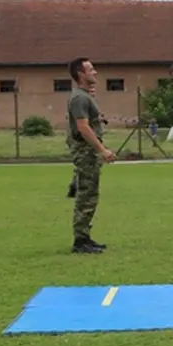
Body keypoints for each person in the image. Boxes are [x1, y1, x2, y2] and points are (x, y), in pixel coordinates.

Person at [65, 57, 116, 253]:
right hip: (85, 152)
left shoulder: (85, 96)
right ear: (81, 74)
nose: (95, 72)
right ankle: (80, 241)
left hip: (88, 152)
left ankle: (85, 236)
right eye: (91, 69)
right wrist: (102, 150)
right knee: (86, 195)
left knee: (90, 194)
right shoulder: (80, 98)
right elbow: (83, 127)